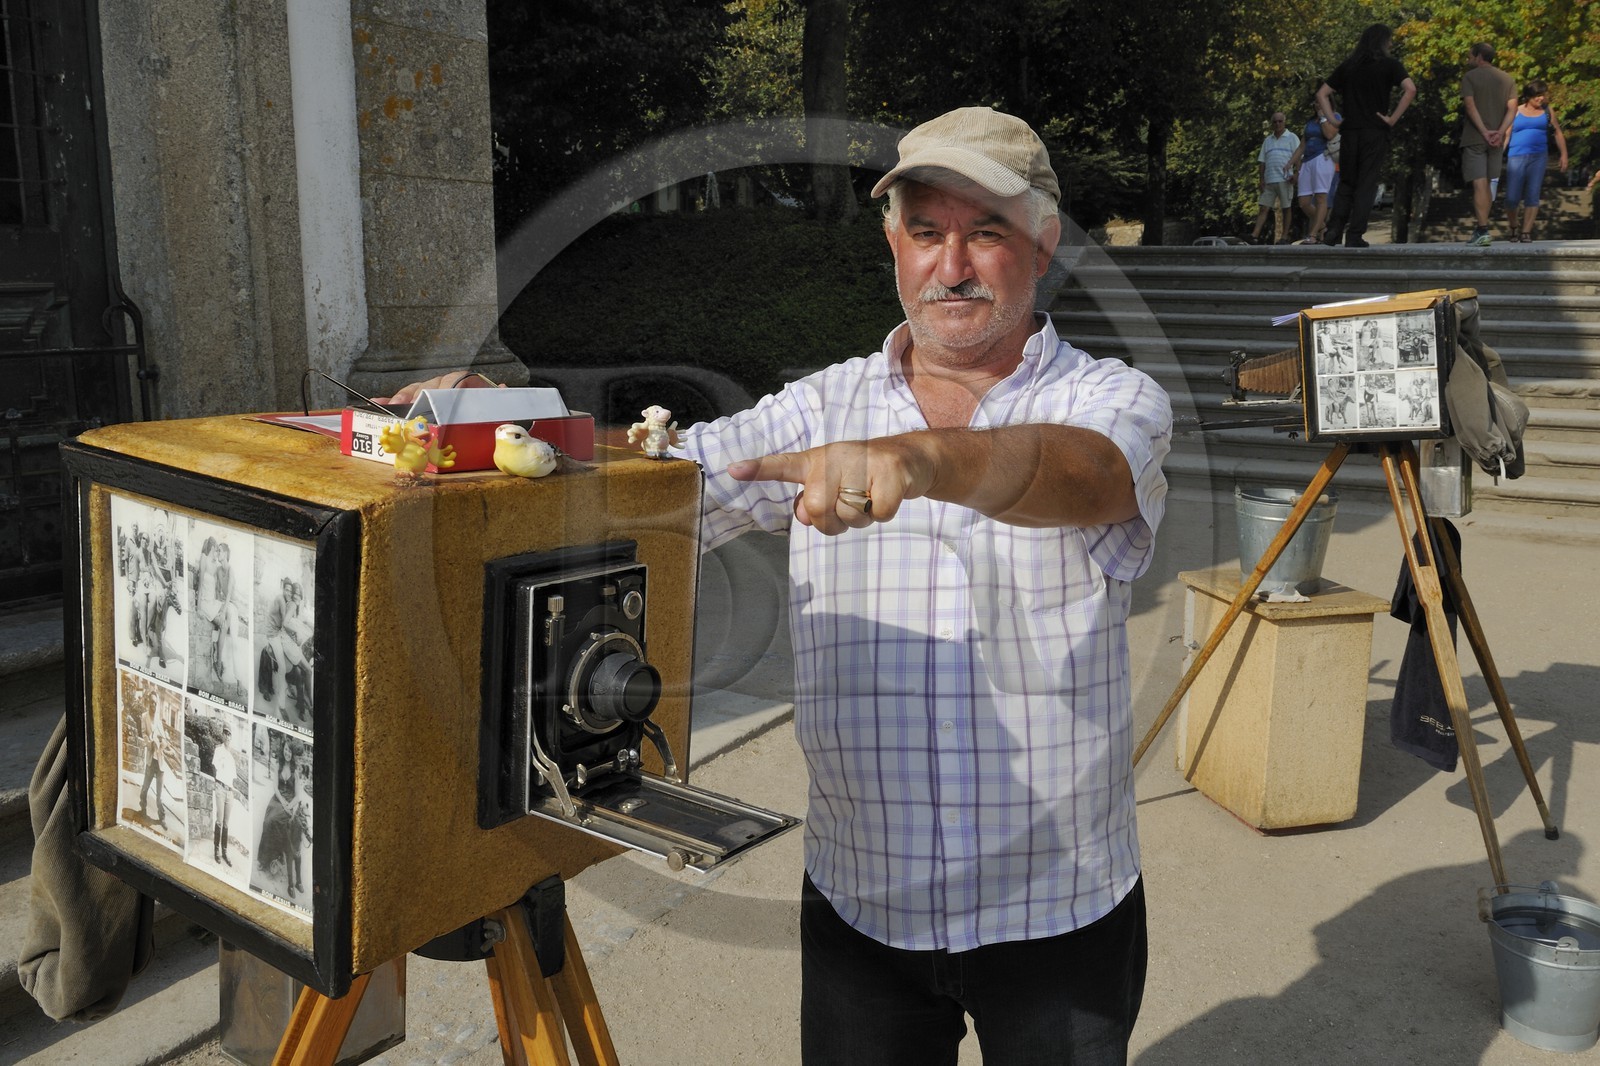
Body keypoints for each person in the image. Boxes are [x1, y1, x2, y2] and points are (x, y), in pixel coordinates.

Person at [382, 105, 1173, 1065]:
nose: (951, 264)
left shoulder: (1111, 397)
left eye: (987, 233)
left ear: (1043, 244)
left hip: (1059, 906)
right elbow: (673, 484)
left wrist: (923, 460)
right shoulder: (821, 405)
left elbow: (1087, 475)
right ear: (893, 243)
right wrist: (512, 436)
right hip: (862, 900)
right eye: (926, 232)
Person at [1316, 24, 1417, 248]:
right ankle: (1355, 235)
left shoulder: (1348, 66)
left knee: (1347, 181)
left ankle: (1333, 231)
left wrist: (1333, 120)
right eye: (1389, 40)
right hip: (1375, 130)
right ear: (1382, 41)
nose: (1391, 44)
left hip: (1350, 131)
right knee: (1366, 182)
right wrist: (1392, 118)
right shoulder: (1390, 65)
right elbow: (1410, 89)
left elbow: (1322, 94)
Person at [1459, 42, 1517, 247]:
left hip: (1476, 138)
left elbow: (1469, 105)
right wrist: (1500, 132)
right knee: (1489, 183)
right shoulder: (1507, 79)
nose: (1469, 60)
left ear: (1479, 56)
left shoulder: (1469, 77)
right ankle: (1483, 227)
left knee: (1479, 183)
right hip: (1496, 141)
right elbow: (1512, 109)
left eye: (1470, 56)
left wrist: (1484, 131)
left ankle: (1482, 229)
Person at [1502, 78, 1569, 243]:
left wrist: (1564, 154)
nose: (1541, 99)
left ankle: (1526, 232)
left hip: (1539, 156)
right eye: (1537, 96)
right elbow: (1506, 134)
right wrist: (1498, 154)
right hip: (1516, 156)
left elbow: (1558, 133)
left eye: (1542, 95)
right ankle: (1513, 227)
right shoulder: (1515, 111)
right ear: (1528, 96)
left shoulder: (1547, 111)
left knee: (1532, 194)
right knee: (1512, 197)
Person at [1288, 109, 1340, 244]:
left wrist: (1323, 117)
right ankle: (1323, 227)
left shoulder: (1334, 116)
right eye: (1316, 102)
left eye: (1321, 101)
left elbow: (1330, 135)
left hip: (1323, 158)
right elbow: (1302, 145)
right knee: (1303, 202)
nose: (1318, 104)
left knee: (1321, 198)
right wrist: (1290, 163)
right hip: (1308, 160)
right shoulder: (1310, 122)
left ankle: (1312, 235)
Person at [1249, 112, 1299, 244]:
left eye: (1280, 121)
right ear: (1272, 124)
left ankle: (1284, 237)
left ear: (1284, 122)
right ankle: (1254, 235)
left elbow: (1299, 157)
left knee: (1286, 208)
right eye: (1275, 122)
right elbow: (1262, 161)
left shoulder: (1292, 137)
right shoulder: (1268, 140)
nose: (1277, 124)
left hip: (1285, 179)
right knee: (1264, 207)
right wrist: (1261, 180)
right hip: (1269, 180)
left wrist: (1296, 174)